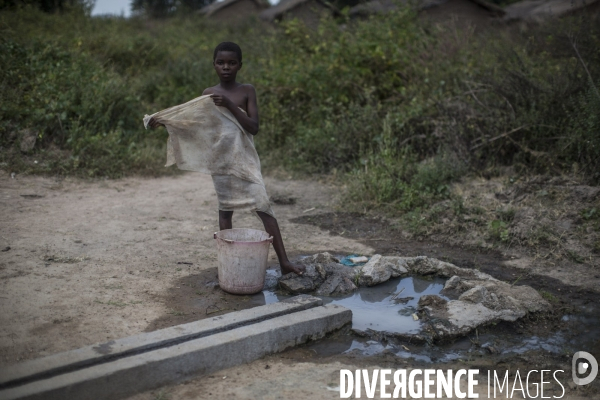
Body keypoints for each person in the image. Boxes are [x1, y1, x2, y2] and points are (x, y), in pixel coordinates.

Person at [148, 42, 305, 276]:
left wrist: (230, 104)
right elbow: (196, 126)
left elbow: (253, 127)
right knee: (225, 211)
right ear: (214, 65)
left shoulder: (246, 91)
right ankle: (228, 266)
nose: (226, 67)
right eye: (221, 63)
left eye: (232, 63)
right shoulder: (207, 94)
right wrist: (165, 122)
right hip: (221, 161)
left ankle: (284, 263)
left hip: (244, 161)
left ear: (240, 65)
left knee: (263, 206)